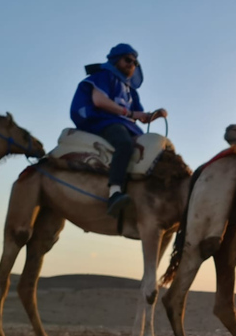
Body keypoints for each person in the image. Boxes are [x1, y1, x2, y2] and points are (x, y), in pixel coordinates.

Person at [70, 43, 168, 217]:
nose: (132, 64)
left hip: (125, 123)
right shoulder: (103, 76)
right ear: (116, 60)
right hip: (102, 120)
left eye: (135, 63)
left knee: (151, 150)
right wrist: (129, 112)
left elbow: (141, 117)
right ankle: (114, 192)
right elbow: (99, 101)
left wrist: (156, 115)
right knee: (124, 144)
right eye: (128, 60)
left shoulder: (130, 90)